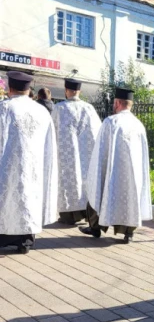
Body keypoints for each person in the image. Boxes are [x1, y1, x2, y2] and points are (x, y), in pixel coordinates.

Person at [80, 87, 151, 243]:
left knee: (98, 188)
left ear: (117, 103)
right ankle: (128, 232)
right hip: (132, 173)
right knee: (130, 198)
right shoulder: (139, 125)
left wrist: (96, 168)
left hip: (112, 171)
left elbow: (101, 149)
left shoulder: (111, 121)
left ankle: (95, 227)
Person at [0, 71, 58, 254]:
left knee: (7, 199)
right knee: (29, 199)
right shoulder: (41, 110)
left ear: (10, 87)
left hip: (8, 167)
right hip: (34, 167)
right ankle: (25, 240)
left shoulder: (5, 108)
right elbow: (50, 144)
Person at [52, 79, 101, 225]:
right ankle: (86, 214)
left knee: (67, 183)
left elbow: (51, 131)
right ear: (79, 91)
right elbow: (97, 132)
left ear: (66, 91)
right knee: (85, 182)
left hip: (66, 154)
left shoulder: (59, 108)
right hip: (85, 154)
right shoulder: (89, 108)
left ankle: (68, 216)